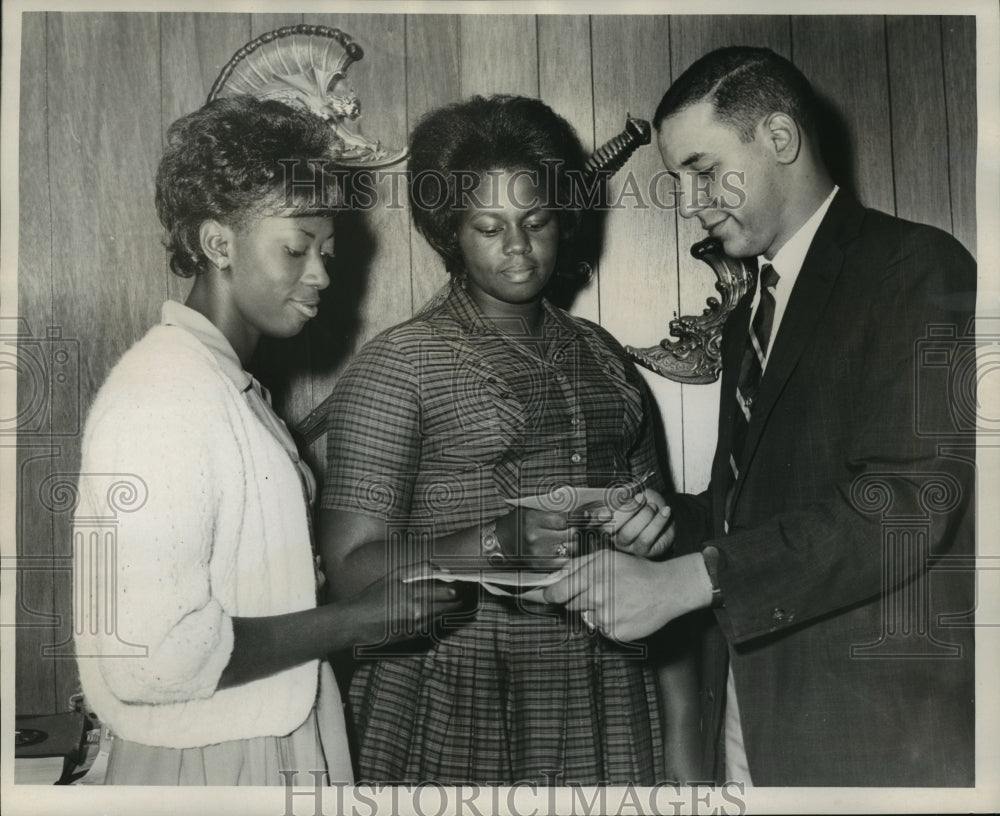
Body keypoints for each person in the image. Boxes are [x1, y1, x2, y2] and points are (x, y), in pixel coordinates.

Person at [545, 46, 976, 787]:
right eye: (678, 181)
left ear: (779, 139)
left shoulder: (917, 268)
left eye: (704, 171)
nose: (688, 204)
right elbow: (757, 510)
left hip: (870, 734)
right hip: (753, 715)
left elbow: (905, 505)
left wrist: (690, 579)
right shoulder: (752, 311)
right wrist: (670, 523)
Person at [72, 95, 461, 786]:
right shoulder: (164, 395)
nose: (321, 275)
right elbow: (149, 655)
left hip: (260, 734)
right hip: (212, 763)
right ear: (218, 243)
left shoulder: (225, 387)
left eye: (328, 253)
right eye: (296, 248)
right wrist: (353, 621)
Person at [317, 95, 700, 785]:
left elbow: (664, 559)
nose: (518, 247)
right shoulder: (398, 364)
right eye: (489, 226)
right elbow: (349, 571)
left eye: (536, 221)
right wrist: (494, 546)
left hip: (604, 687)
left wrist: (649, 537)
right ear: (451, 233)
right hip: (452, 690)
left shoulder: (605, 358)